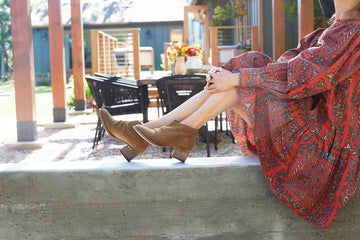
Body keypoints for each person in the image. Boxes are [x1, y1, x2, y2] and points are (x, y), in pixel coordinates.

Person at [99, 0, 360, 229]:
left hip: (322, 152)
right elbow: (281, 68)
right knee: (250, 64)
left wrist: (235, 77)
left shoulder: (356, 32)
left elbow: (304, 78)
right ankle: (154, 132)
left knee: (244, 75)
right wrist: (230, 76)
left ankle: (157, 133)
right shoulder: (323, 35)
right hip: (309, 135)